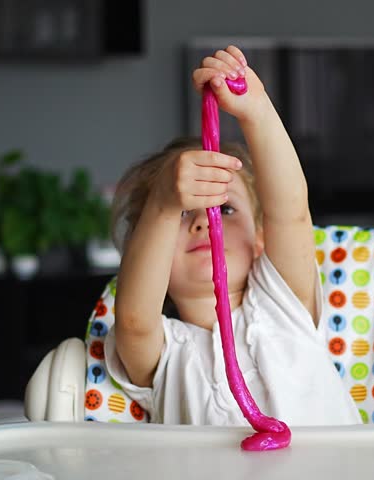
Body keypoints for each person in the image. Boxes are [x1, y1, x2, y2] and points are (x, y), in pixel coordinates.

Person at [104, 45, 360, 426]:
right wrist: (162, 202)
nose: (206, 222)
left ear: (260, 238)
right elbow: (133, 319)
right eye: (181, 214)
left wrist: (257, 112)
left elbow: (290, 213)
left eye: (225, 209)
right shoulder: (165, 352)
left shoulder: (283, 306)